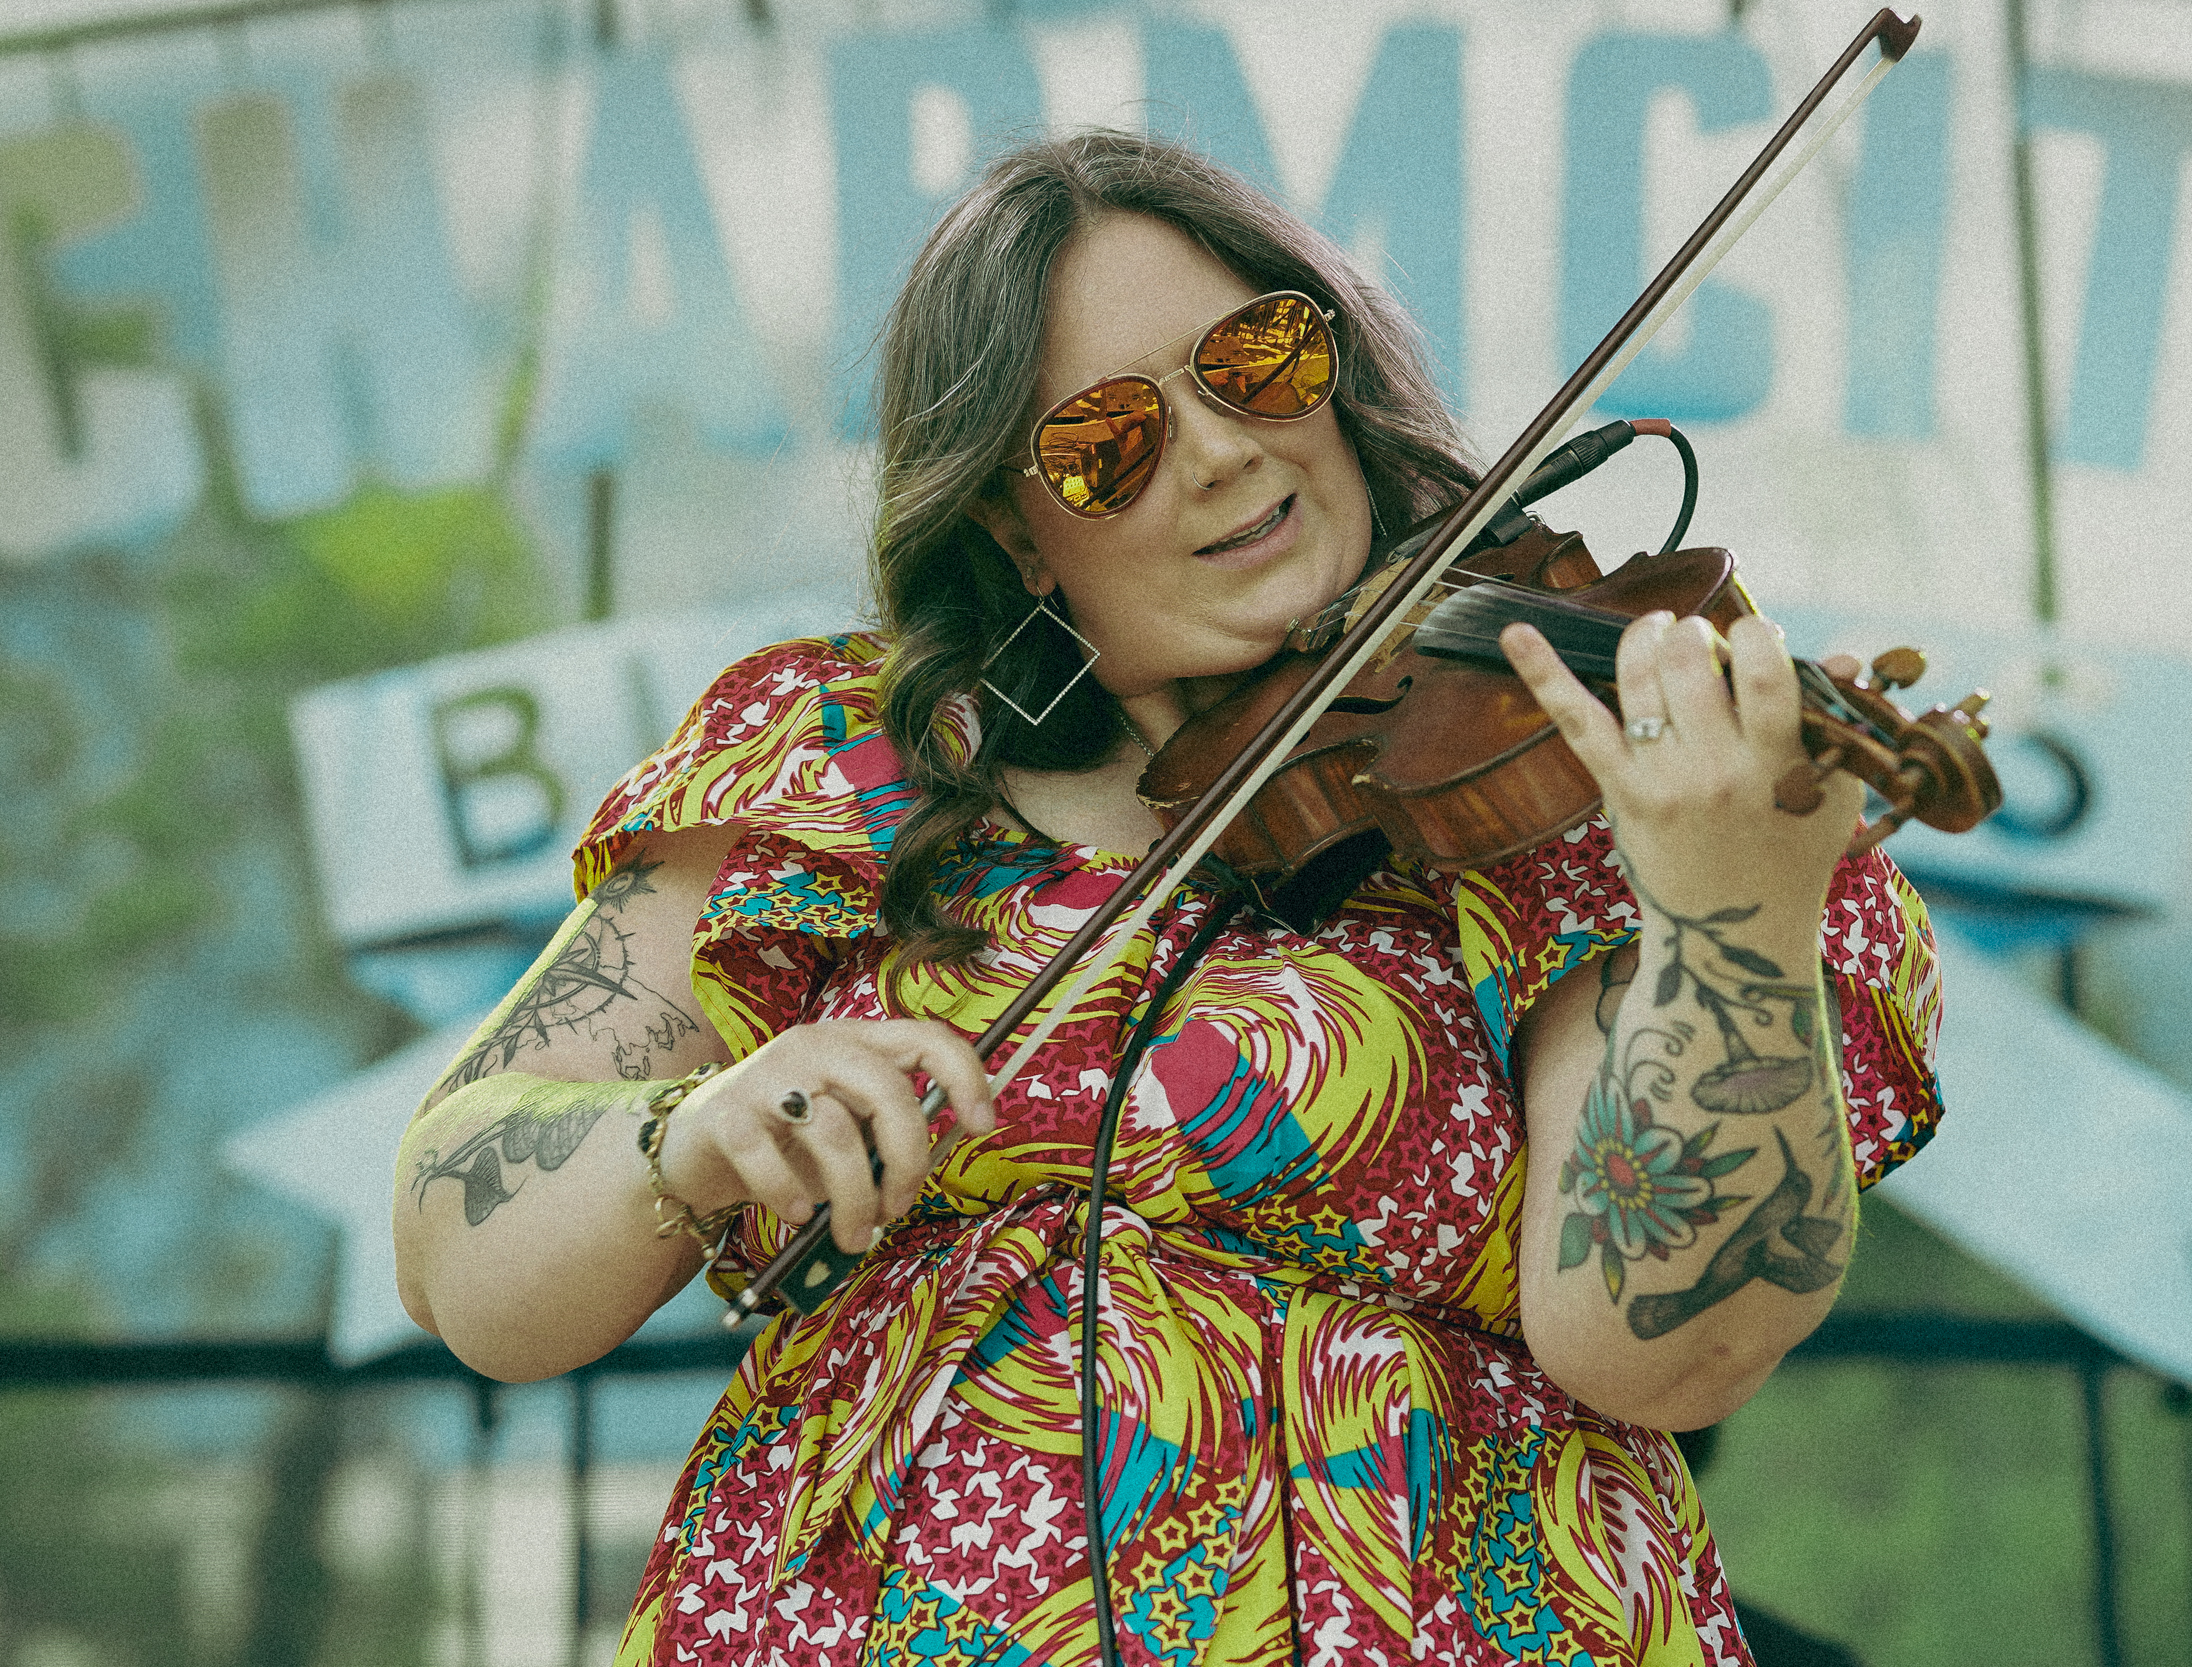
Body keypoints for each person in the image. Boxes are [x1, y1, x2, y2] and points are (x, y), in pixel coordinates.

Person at [392, 130, 1946, 1667]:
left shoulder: (1562, 788)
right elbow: (460, 1252)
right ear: (1014, 527)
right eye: (1108, 445)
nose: (1219, 452)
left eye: (1257, 363)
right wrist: (692, 1130)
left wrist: (1730, 920)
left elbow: (1674, 1346)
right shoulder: (842, 763)